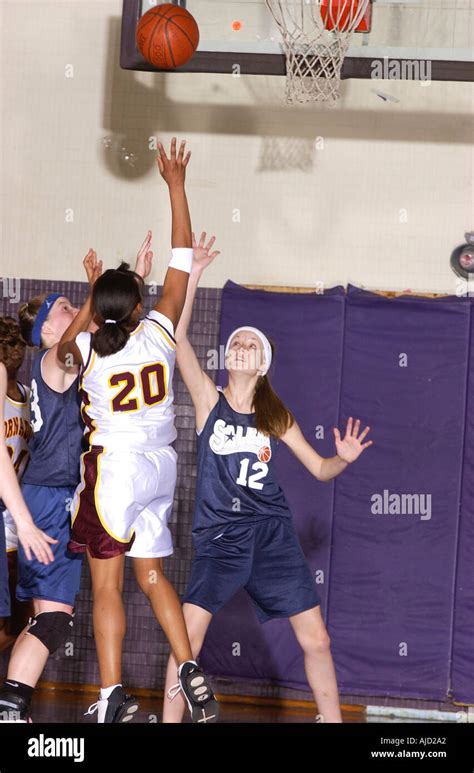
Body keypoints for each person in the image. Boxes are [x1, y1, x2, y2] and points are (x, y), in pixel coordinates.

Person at [162, 234, 373, 723]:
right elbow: (177, 340)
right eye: (235, 341)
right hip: (220, 538)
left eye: (249, 344)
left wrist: (341, 459)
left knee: (316, 639)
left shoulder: (274, 415)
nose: (239, 346)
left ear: (262, 364)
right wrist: (193, 278)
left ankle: (332, 719)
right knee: (186, 640)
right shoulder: (208, 400)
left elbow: (320, 470)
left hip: (272, 536)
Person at [57, 138, 218, 724]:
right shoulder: (158, 332)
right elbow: (181, 254)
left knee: (106, 587)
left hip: (114, 471)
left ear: (100, 309)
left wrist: (93, 292)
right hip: (161, 467)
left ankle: (109, 696)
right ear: (141, 305)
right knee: (152, 575)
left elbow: (66, 339)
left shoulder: (85, 349)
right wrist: (174, 184)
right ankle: (188, 667)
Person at [0, 255, 103, 722]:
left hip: (48, 496)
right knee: (55, 618)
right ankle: (11, 708)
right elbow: (71, 340)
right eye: (64, 306)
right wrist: (94, 293)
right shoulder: (52, 361)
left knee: (46, 618)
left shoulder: (60, 366)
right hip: (49, 498)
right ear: (44, 329)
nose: (74, 309)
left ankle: (11, 708)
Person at [0, 317, 37, 654]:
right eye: (8, 345)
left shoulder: (27, 395)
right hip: (6, 512)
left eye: (17, 345)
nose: (14, 352)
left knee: (23, 618)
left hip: (18, 513)